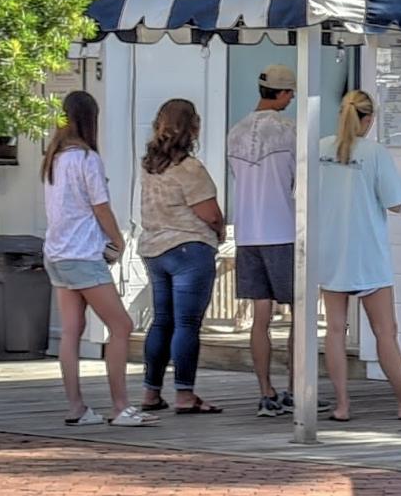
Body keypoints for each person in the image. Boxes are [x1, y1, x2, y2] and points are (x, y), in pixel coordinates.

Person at [313, 88, 401, 423]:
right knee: (386, 331)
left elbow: (302, 195)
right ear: (369, 119)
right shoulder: (374, 153)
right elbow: (395, 202)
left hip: (328, 250)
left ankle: (342, 405)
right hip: (366, 252)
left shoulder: (320, 149)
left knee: (335, 330)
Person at [42, 89, 146, 427]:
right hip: (84, 254)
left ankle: (76, 406)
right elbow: (101, 207)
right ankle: (121, 406)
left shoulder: (53, 157)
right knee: (121, 325)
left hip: (56, 252)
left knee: (71, 330)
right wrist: (118, 240)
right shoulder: (87, 159)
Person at [135, 97, 226, 415]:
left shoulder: (149, 166)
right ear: (193, 128)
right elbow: (209, 213)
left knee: (162, 320)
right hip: (189, 247)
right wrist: (221, 230)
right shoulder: (190, 168)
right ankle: (185, 394)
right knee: (187, 323)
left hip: (154, 248)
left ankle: (151, 392)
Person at [227, 63, 301, 417]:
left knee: (261, 316)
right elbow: (299, 181)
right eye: (291, 93)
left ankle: (265, 391)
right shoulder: (288, 131)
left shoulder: (235, 132)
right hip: (282, 229)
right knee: (299, 313)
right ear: (283, 93)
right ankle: (297, 388)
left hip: (247, 232)